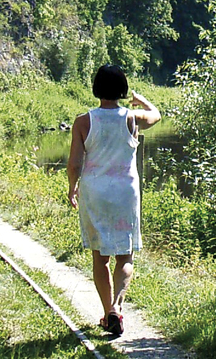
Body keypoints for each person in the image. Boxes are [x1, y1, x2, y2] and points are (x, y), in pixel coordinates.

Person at [66, 64, 161, 337]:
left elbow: (74, 163)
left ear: (96, 87)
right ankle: (117, 308)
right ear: (122, 88)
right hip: (124, 192)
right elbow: (156, 115)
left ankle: (107, 310)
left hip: (95, 192)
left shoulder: (83, 121)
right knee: (125, 254)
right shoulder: (132, 118)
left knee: (101, 257)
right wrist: (142, 100)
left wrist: (73, 187)